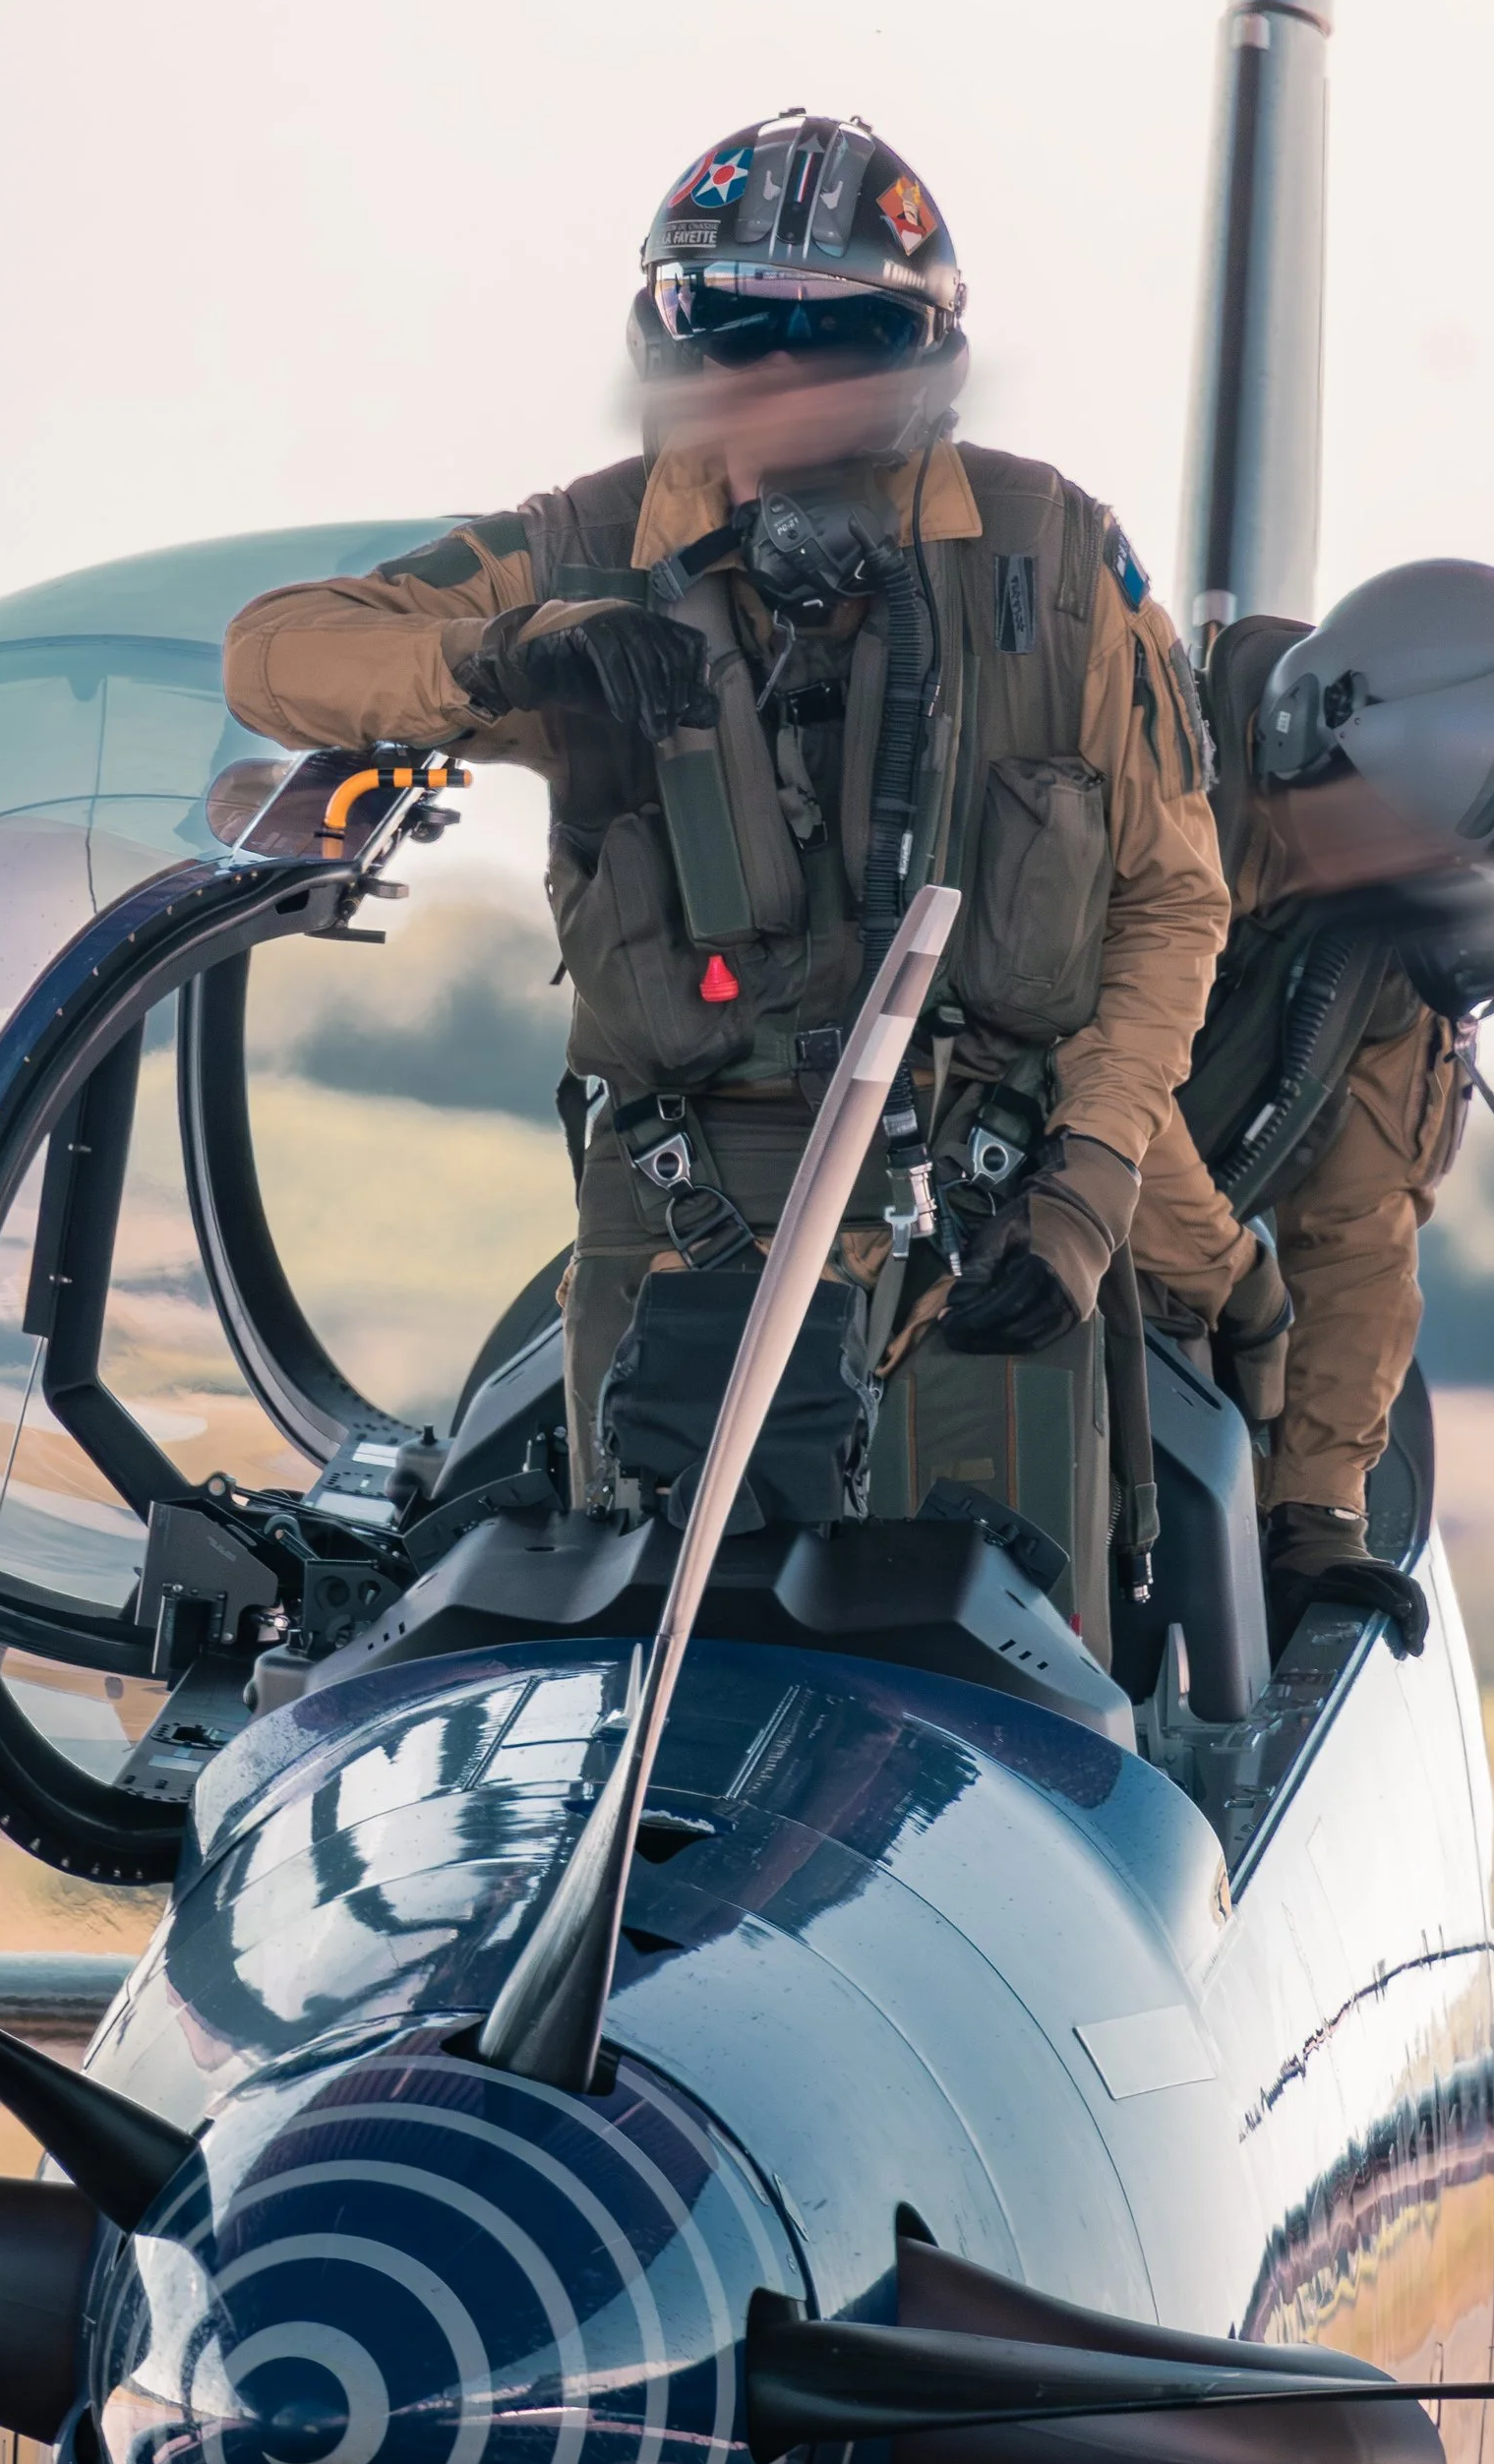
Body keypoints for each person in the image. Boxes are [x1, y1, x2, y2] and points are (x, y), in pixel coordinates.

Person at [221, 114, 1228, 1624]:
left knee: (1010, 1660)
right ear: (670, 338)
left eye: (845, 337)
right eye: (736, 328)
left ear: (925, 354)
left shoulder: (1052, 558)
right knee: (654, 1657)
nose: (783, 378)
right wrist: (515, 653)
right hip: (686, 1206)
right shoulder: (588, 544)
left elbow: (1169, 897)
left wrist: (1087, 1184)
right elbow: (276, 653)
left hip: (987, 1199)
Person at [1130, 560, 1494, 1656]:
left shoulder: (1386, 936)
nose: (1407, 874)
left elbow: (1360, 1229)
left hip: (1138, 1318)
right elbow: (1082, 1083)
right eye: (1397, 835)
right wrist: (1233, 1286)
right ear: (1308, 740)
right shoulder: (1135, 790)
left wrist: (1318, 1516)